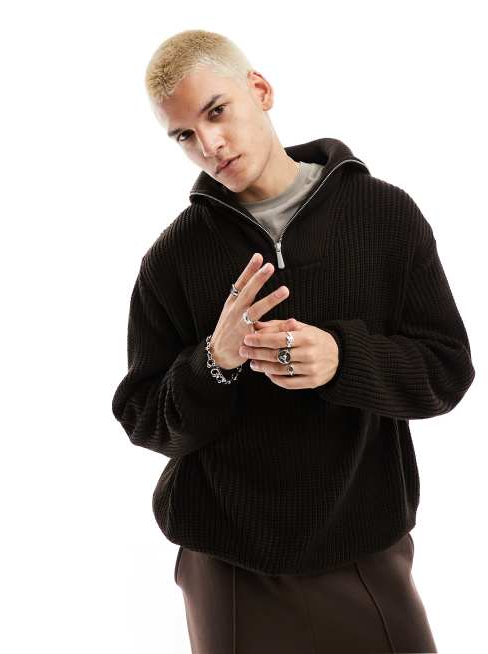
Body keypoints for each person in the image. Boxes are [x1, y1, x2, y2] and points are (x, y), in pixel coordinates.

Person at [111, 28, 475, 653]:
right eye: (184, 136)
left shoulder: (385, 215)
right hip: (229, 564)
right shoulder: (172, 259)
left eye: (216, 111)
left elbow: (446, 372)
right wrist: (214, 361)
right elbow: (143, 417)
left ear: (259, 89)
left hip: (366, 545)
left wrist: (344, 359)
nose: (209, 145)